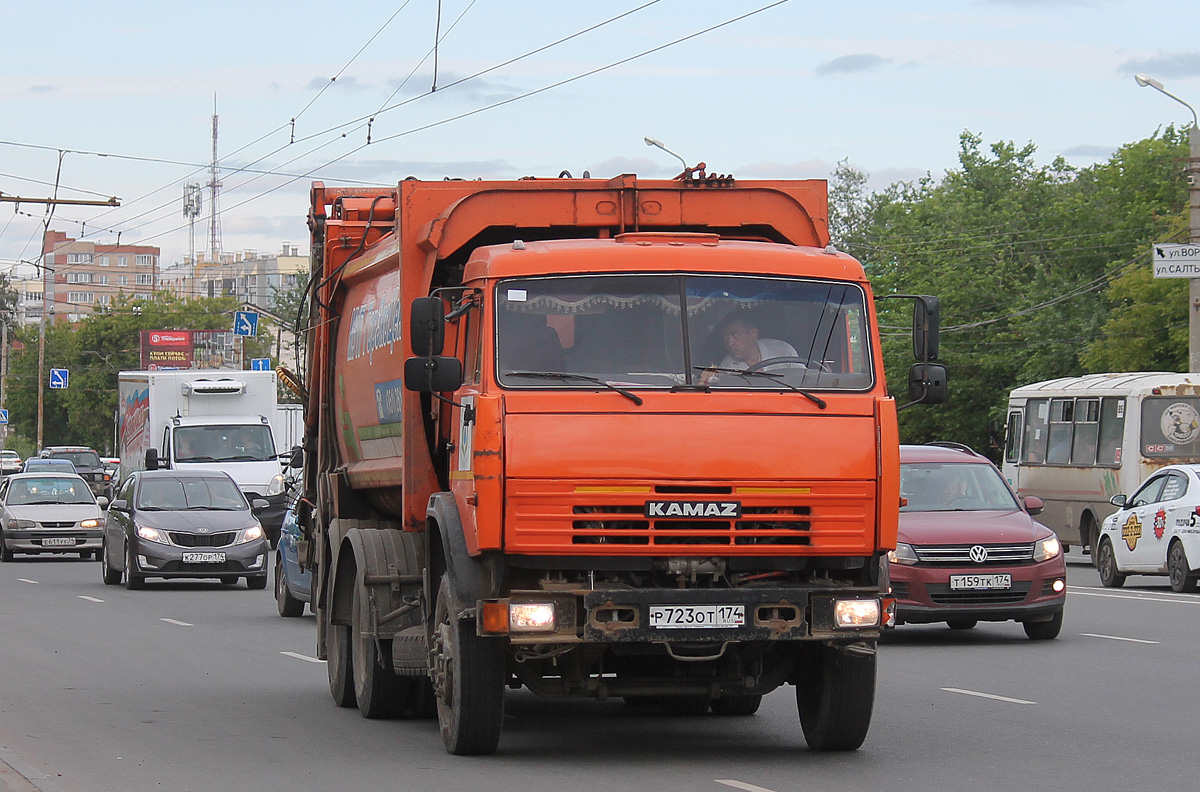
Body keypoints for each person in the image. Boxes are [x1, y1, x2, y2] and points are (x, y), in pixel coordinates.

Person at [716, 312, 801, 371]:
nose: (730, 343)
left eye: (735, 335)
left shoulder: (784, 351)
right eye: (726, 337)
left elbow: (804, 381)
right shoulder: (727, 365)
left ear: (753, 334)